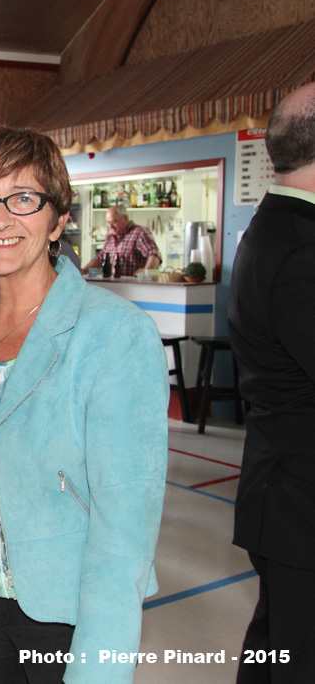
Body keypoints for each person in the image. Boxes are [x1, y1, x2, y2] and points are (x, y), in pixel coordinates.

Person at [0, 126, 168, 684]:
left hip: (56, 613)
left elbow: (125, 531)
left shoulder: (114, 334)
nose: (0, 219)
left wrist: (100, 667)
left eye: (24, 198)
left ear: (58, 219)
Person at [229, 82, 315, 684]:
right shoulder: (301, 247)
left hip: (285, 490)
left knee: (275, 650)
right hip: (300, 500)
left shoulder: (278, 226)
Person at [83, 205, 160, 277]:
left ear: (125, 218)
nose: (111, 227)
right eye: (108, 223)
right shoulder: (111, 237)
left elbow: (154, 255)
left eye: (114, 222)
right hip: (116, 286)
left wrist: (146, 274)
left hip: (134, 286)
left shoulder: (139, 233)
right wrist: (84, 271)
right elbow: (100, 258)